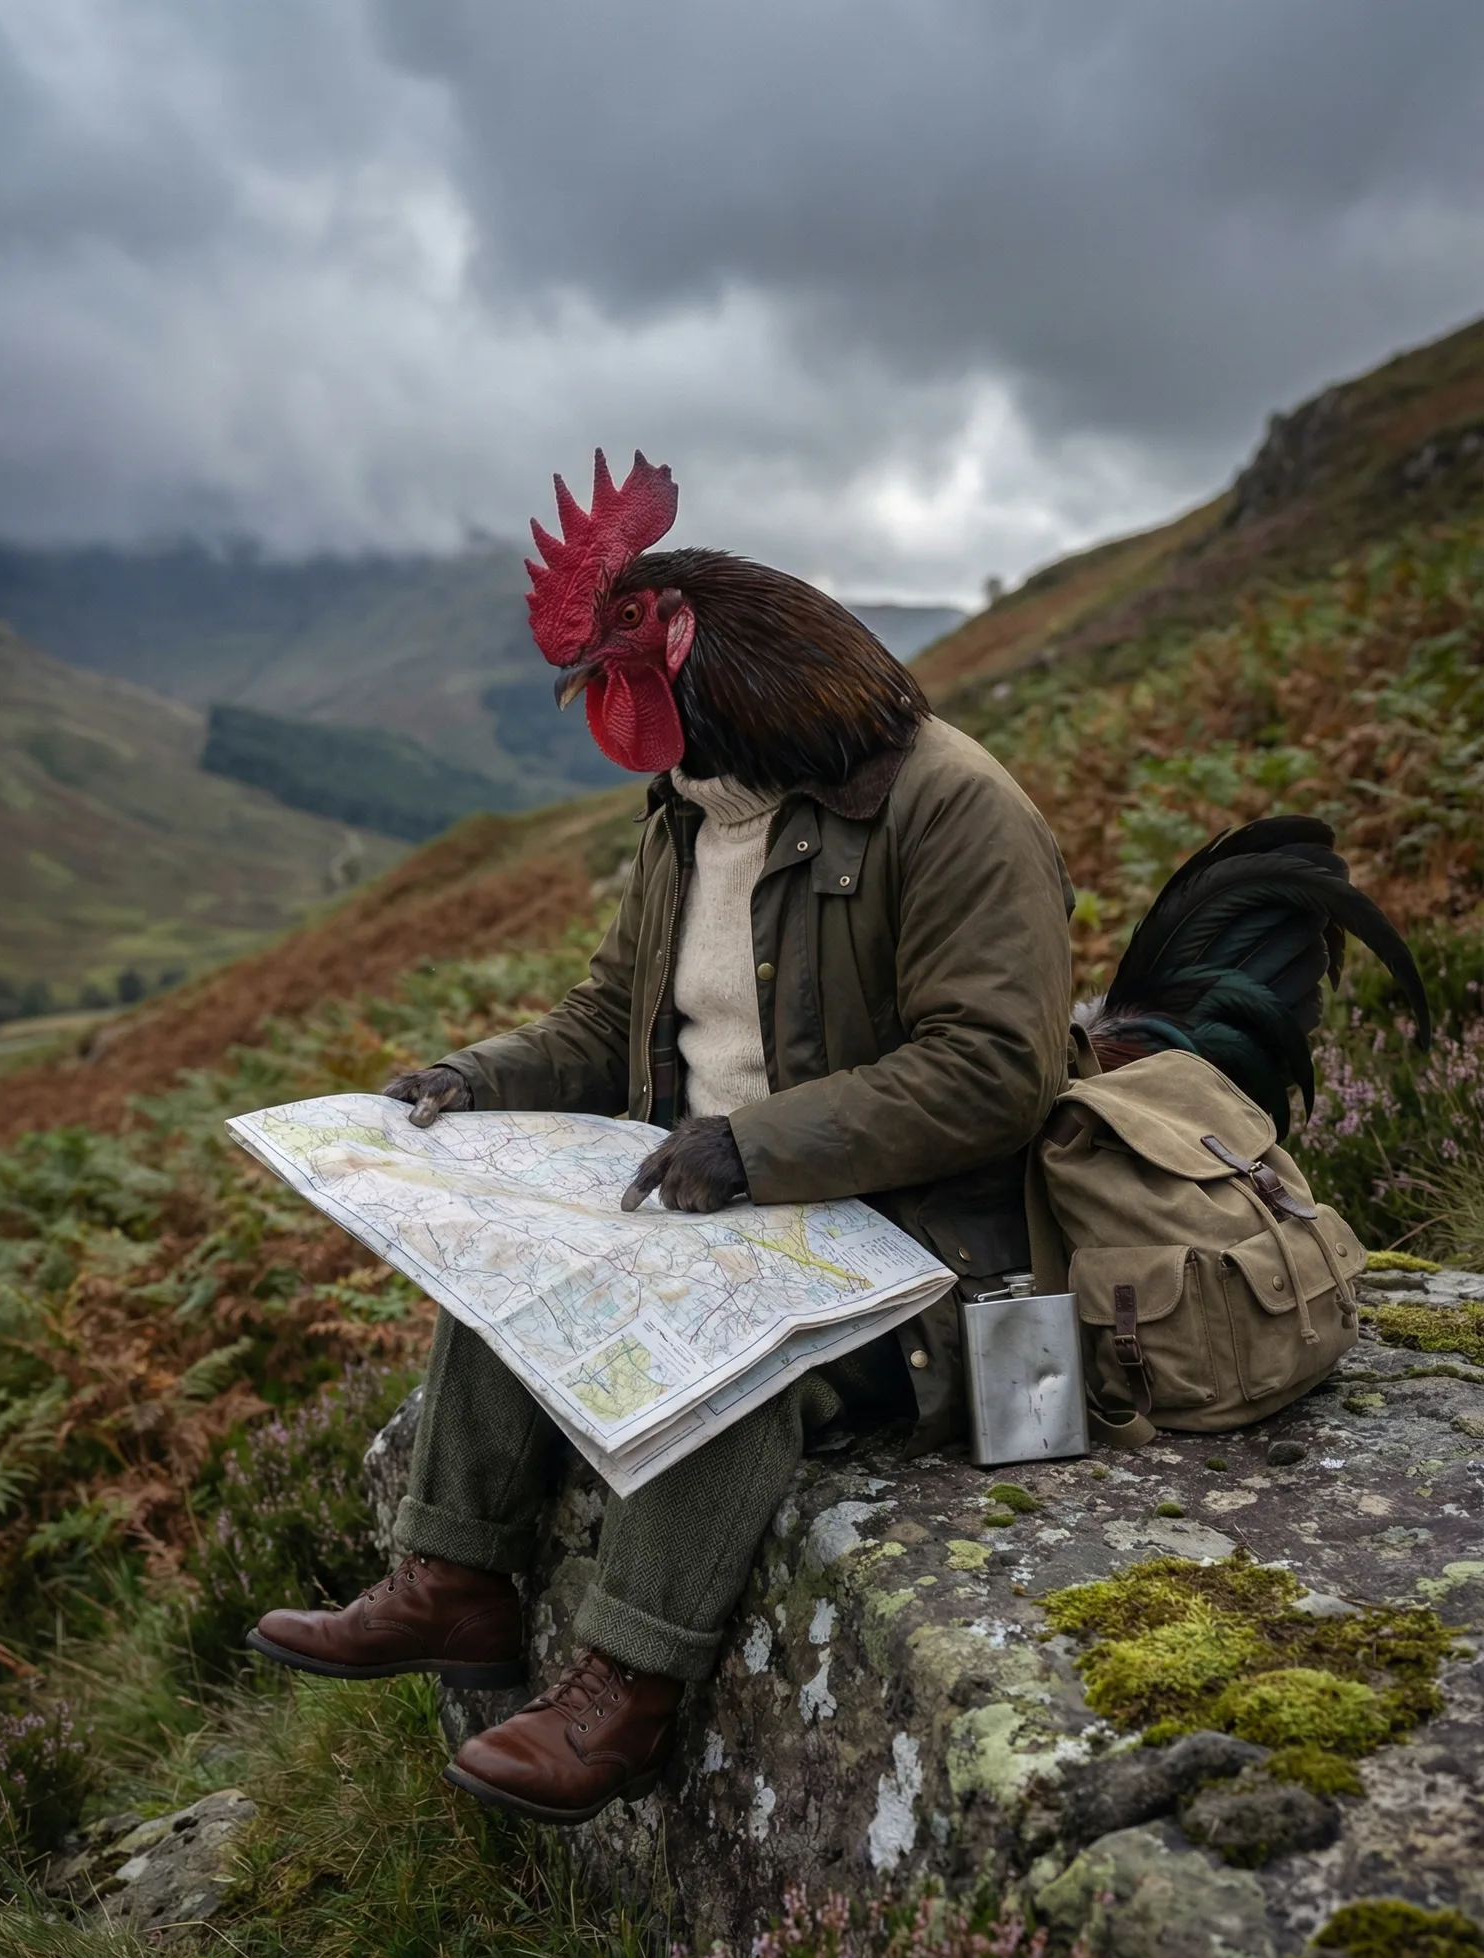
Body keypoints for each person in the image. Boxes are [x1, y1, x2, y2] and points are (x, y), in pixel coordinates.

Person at [248, 456, 1074, 1825]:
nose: (590, 678)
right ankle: (455, 1580)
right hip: (736, 1186)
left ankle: (625, 1685)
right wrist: (471, 1082)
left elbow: (995, 1073)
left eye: (619, 640)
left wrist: (749, 1147)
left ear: (690, 641)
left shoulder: (950, 807)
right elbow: (607, 1015)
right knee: (514, 1240)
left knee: (718, 1326)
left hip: (928, 1241)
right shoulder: (692, 805)